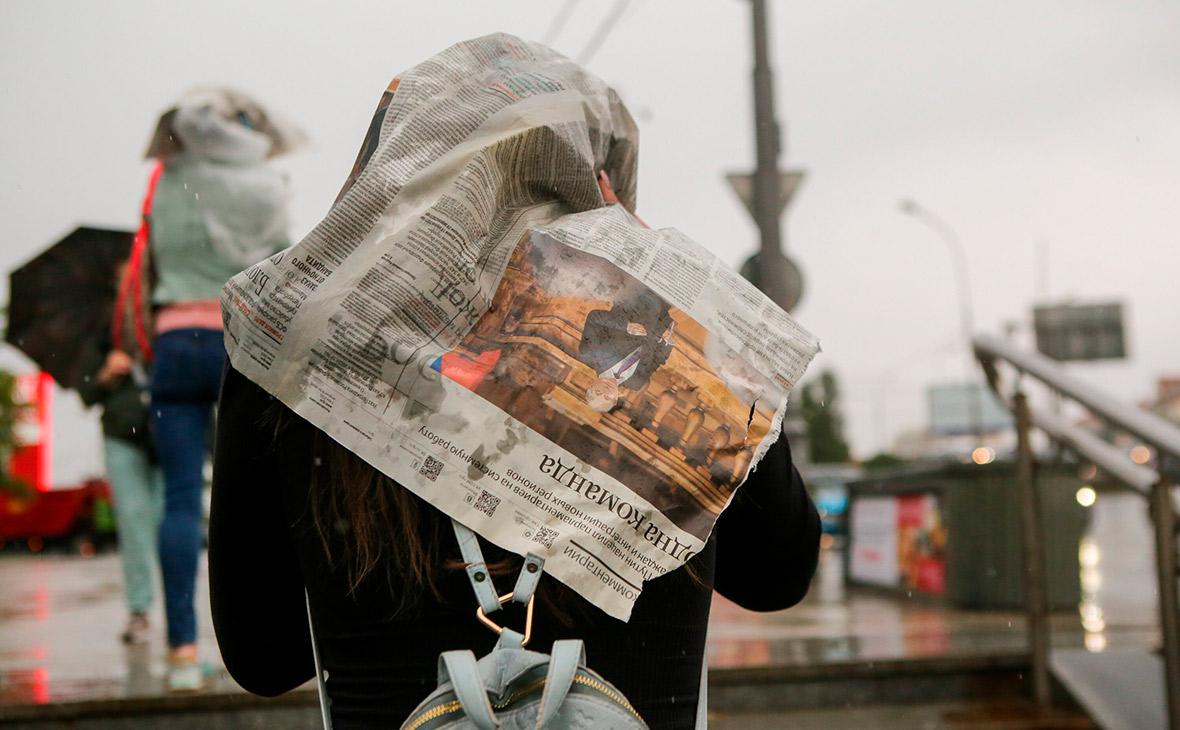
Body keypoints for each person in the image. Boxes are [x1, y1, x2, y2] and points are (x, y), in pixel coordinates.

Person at [142, 88, 296, 690]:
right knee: (256, 495)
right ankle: (266, 644)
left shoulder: (168, 182)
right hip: (243, 340)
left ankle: (183, 652)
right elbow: (284, 261)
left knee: (180, 500)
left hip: (176, 341)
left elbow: (149, 260)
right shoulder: (266, 184)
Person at [77, 337, 162, 645]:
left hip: (170, 431)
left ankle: (181, 613)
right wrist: (107, 374)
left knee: (171, 523)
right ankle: (139, 608)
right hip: (121, 436)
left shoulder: (170, 309)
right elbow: (85, 392)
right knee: (133, 519)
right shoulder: (105, 332)